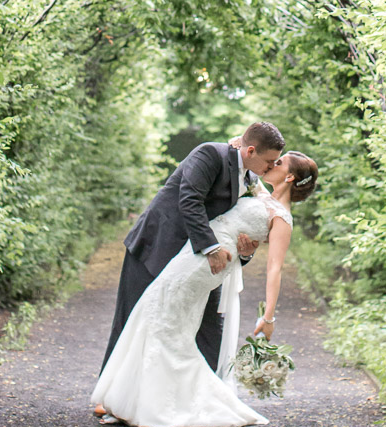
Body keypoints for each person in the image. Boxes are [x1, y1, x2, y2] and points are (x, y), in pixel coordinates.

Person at [90, 149, 319, 427]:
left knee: (161, 320)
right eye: (272, 159)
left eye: (279, 163)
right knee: (158, 317)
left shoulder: (282, 219)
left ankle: (147, 401)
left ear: (291, 176)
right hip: (192, 256)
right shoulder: (260, 194)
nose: (271, 164)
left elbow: (275, 269)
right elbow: (243, 153)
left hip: (206, 266)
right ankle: (136, 397)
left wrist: (268, 317)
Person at [96, 121, 286, 390]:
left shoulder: (250, 180)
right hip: (158, 246)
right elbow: (190, 199)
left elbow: (236, 224)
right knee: (132, 318)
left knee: (210, 327)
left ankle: (203, 396)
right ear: (251, 150)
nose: (271, 168)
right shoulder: (209, 154)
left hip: (199, 263)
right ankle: (110, 393)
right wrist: (211, 248)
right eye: (269, 161)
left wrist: (245, 252)